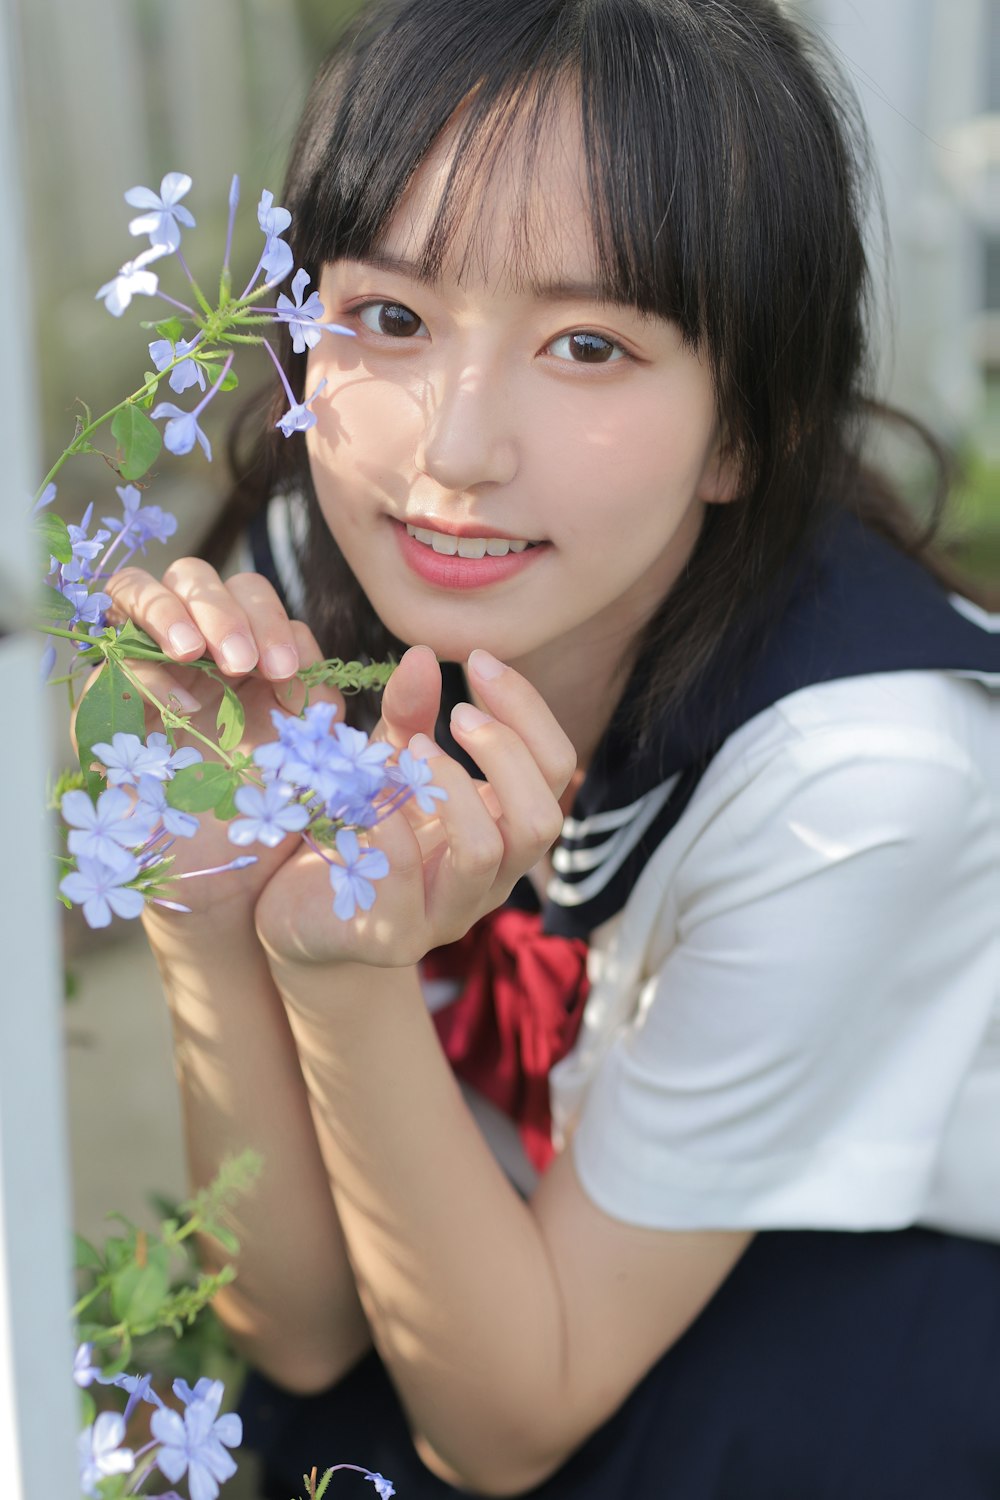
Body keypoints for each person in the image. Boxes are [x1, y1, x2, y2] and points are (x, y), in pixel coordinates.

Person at [107, 0, 1000, 1495]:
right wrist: (209, 898)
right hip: (543, 1245)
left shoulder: (858, 776)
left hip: (882, 1277)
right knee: (317, 1436)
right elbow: (295, 1334)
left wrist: (350, 979)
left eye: (588, 344)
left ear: (747, 428)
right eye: (388, 317)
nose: (455, 448)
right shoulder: (317, 581)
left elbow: (504, 1429)